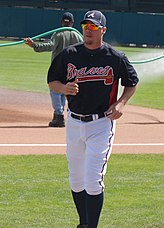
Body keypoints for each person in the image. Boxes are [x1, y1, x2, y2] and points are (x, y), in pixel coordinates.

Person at [48, 10, 139, 228]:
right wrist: (64, 87)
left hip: (101, 124)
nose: (89, 30)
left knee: (93, 180)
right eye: (86, 26)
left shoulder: (115, 57)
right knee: (76, 179)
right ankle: (83, 223)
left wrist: (121, 103)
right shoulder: (69, 54)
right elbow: (52, 81)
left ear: (103, 30)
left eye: (94, 27)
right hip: (74, 122)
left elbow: (132, 82)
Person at [24, 12, 83, 127]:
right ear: (72, 22)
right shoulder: (77, 35)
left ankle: (58, 115)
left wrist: (34, 45)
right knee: (65, 90)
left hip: (58, 66)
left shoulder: (58, 33)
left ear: (62, 22)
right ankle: (61, 114)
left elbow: (50, 45)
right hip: (71, 69)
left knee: (55, 90)